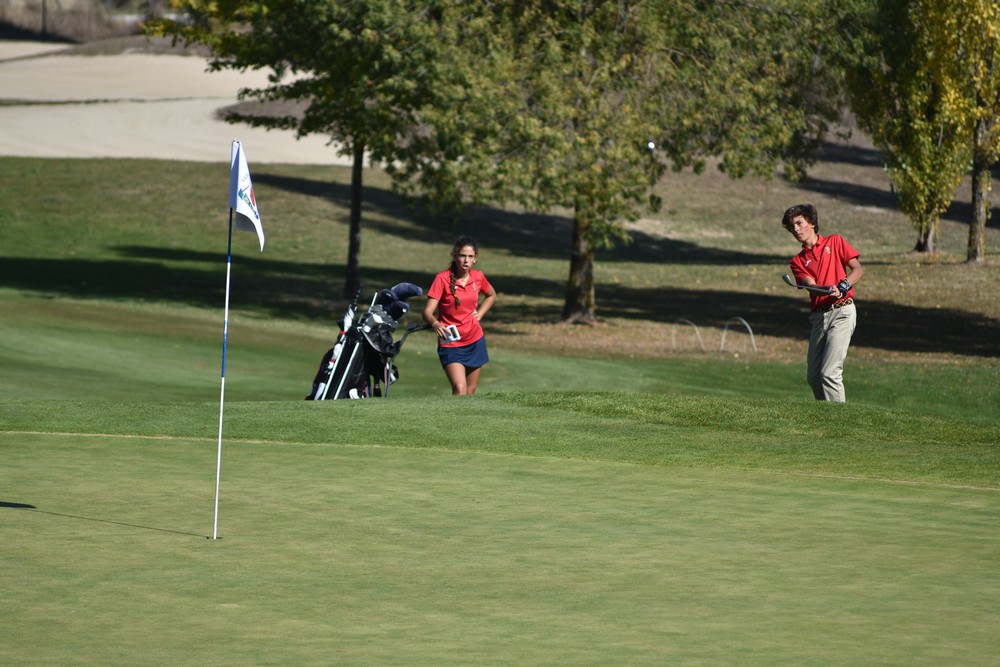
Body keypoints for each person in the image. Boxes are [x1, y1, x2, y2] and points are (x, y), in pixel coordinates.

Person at [782, 203, 865, 402]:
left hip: (842, 311)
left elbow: (858, 270)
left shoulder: (835, 242)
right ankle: (827, 417)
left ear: (811, 222)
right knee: (813, 377)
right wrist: (826, 288)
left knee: (829, 373)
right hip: (820, 317)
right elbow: (810, 284)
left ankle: (840, 423)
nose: (796, 229)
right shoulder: (797, 261)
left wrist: (843, 286)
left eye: (799, 223)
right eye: (792, 226)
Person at [423, 236, 497, 395]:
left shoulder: (478, 277)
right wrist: (435, 323)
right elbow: (427, 312)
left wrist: (480, 314)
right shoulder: (441, 279)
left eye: (470, 257)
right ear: (455, 256)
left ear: (475, 259)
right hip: (451, 343)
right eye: (462, 255)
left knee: (470, 391)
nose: (466, 260)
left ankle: (464, 420)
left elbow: (491, 295)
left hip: (475, 340)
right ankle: (452, 420)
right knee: (459, 388)